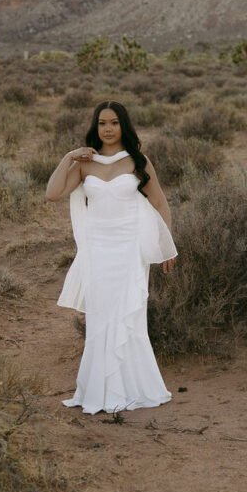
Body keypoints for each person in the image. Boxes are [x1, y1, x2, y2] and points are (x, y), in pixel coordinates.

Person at [47, 101, 178, 413]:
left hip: (130, 249)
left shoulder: (137, 161)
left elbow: (160, 204)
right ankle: (98, 389)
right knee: (101, 317)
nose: (108, 129)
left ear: (124, 126)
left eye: (114, 123)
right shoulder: (84, 163)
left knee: (128, 316)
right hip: (97, 250)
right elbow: (52, 193)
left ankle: (133, 387)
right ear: (96, 127)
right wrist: (68, 157)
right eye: (102, 123)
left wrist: (166, 246)